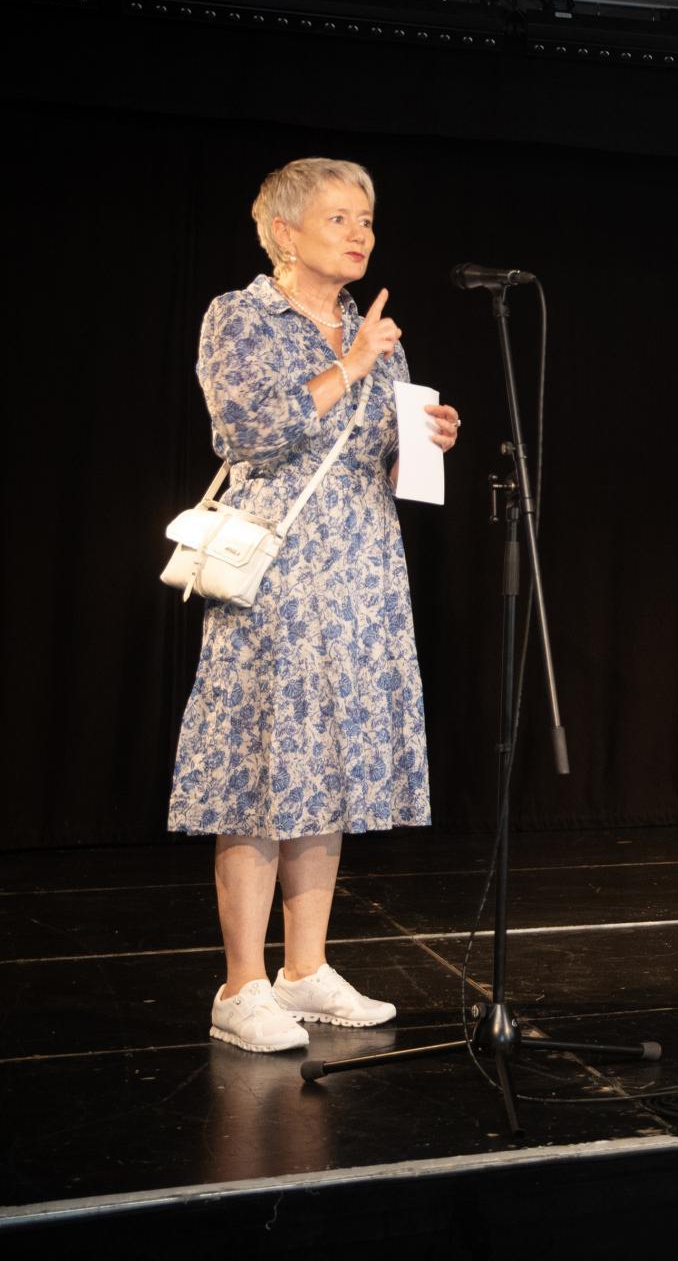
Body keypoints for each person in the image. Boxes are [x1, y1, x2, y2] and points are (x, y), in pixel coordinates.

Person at [168, 157, 461, 1051]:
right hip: (279, 579)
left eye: (366, 216)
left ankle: (305, 970)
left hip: (362, 575)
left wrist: (428, 439)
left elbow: (389, 464)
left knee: (326, 771)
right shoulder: (240, 316)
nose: (360, 231)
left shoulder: (374, 330)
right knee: (261, 772)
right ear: (286, 233)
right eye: (339, 216)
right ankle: (241, 988)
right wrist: (350, 363)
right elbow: (248, 430)